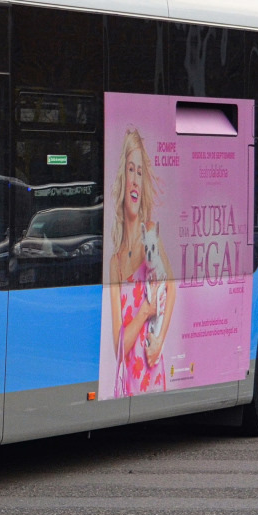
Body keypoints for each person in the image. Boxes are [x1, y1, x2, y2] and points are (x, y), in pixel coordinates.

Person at [108, 127, 175, 397]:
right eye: (130, 170)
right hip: (129, 386)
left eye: (139, 172)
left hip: (153, 374)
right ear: (122, 179)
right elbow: (119, 348)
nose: (135, 180)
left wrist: (158, 341)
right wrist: (145, 312)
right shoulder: (114, 263)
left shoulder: (151, 234)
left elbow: (172, 289)